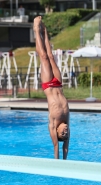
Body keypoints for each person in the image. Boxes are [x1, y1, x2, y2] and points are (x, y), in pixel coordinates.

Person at [33, 16, 70, 159]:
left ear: (57, 131)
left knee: (43, 56)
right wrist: (66, 160)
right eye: (66, 134)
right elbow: (66, 147)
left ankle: (36, 30)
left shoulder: (53, 123)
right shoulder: (66, 121)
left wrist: (57, 162)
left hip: (48, 84)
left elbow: (57, 146)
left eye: (63, 133)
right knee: (51, 56)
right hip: (58, 83)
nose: (65, 131)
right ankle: (45, 30)